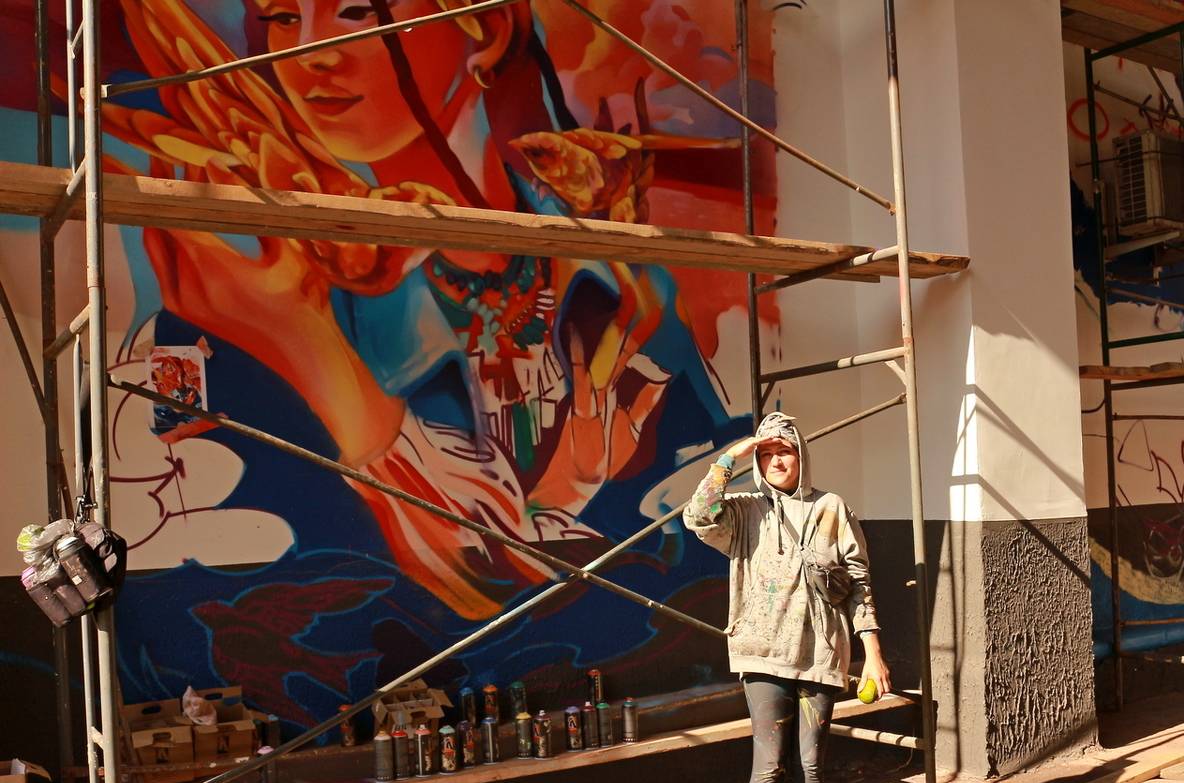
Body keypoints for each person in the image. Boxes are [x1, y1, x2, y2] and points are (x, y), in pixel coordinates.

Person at [102, 0, 737, 618]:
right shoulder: (240, 296)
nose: (308, 54)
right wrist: (322, 368)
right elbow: (279, 582)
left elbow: (693, 537)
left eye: (356, 13)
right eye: (283, 19)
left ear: (486, 31)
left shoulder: (624, 289)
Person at [684, 411, 893, 783]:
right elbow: (697, 516)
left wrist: (873, 652)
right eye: (767, 454)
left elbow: (858, 582)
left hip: (822, 654)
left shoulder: (831, 508)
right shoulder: (743, 512)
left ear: (802, 456)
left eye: (785, 451)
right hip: (763, 654)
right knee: (771, 763)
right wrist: (728, 459)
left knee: (812, 763)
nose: (777, 461)